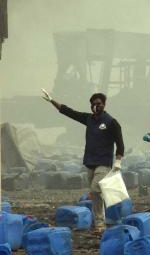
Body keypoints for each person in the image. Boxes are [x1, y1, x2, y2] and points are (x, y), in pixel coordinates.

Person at [43, 90, 124, 231]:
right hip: (90, 161)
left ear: (104, 105)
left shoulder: (111, 122)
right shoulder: (89, 119)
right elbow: (69, 112)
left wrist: (118, 162)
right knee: (95, 193)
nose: (96, 106)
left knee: (96, 189)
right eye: (93, 104)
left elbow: (120, 144)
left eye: (98, 104)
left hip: (104, 162)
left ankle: (99, 223)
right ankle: (100, 222)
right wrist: (52, 101)